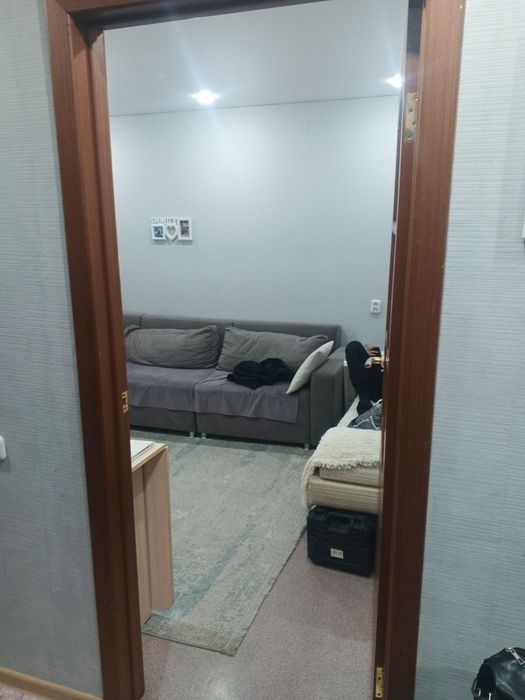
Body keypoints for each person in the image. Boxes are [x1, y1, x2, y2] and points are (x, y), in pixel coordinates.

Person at [345, 340, 383, 415]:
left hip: (391, 385)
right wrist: (366, 355)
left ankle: (364, 398)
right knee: (353, 346)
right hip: (378, 382)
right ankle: (363, 398)